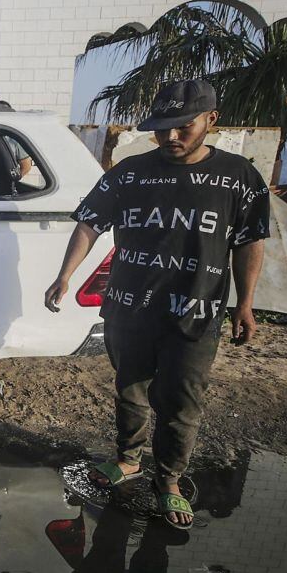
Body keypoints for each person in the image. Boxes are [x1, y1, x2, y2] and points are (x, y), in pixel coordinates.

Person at [43, 79, 270, 530]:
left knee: (181, 401)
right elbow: (89, 224)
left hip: (197, 311)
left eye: (183, 127)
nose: (170, 137)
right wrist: (65, 275)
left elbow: (249, 243)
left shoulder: (237, 177)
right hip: (130, 307)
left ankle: (169, 480)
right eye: (161, 128)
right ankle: (128, 460)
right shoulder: (129, 173)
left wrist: (245, 304)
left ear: (211, 120)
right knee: (130, 389)